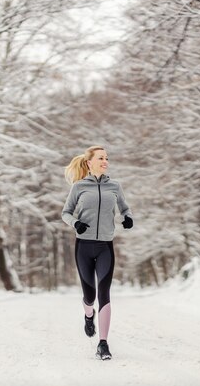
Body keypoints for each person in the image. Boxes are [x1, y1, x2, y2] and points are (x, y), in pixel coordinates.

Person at [62, 145, 133, 360]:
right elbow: (65, 213)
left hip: (105, 247)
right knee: (90, 296)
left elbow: (125, 208)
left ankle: (103, 344)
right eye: (101, 158)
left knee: (104, 294)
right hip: (84, 246)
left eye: (107, 158)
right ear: (89, 162)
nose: (105, 161)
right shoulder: (79, 187)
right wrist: (76, 224)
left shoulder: (115, 186)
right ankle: (88, 314)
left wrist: (127, 217)